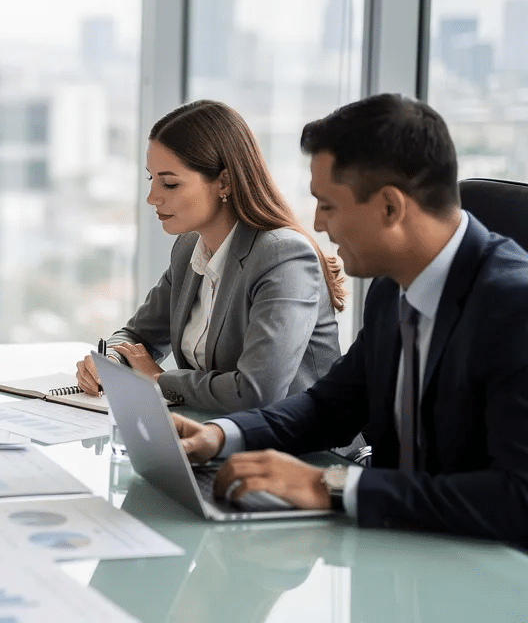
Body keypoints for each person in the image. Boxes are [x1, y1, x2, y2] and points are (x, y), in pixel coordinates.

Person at [174, 93, 528, 545]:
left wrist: (331, 486)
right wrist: (221, 436)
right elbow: (331, 406)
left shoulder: (515, 309)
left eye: (328, 204)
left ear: (389, 207)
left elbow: (518, 498)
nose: (318, 224)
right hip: (398, 548)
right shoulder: (391, 289)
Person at [75, 100, 345, 413]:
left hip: (301, 453)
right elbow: (138, 336)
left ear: (224, 182)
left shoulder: (283, 257)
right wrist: (110, 361)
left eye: (170, 183)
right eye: (152, 179)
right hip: (216, 435)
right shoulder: (190, 248)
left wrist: (157, 379)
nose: (152, 198)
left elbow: (257, 392)